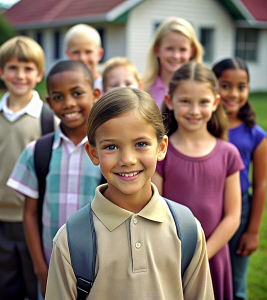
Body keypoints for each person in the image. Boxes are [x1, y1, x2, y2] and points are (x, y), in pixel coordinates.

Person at [45, 87, 215, 300]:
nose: (127, 159)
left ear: (161, 147)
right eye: (111, 146)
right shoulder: (71, 239)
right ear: (93, 153)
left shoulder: (187, 229)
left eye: (141, 144)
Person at [7, 60, 102, 297]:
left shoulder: (107, 151)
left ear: (96, 94)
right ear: (49, 103)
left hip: (102, 270)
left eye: (77, 93)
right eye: (58, 97)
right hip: (53, 270)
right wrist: (40, 268)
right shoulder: (37, 151)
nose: (68, 103)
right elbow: (29, 213)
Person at [0, 36, 56, 300]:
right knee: (5, 286)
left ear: (39, 73)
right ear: (1, 72)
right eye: (12, 68)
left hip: (35, 219)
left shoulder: (48, 118)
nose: (20, 75)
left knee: (38, 283)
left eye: (28, 68)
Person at [152, 62, 244, 300]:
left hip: (214, 257)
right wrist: (178, 257)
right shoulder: (162, 152)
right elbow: (156, 209)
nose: (194, 110)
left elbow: (233, 216)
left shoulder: (228, 153)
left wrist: (203, 254)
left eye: (203, 102)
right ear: (170, 101)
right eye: (185, 101)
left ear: (215, 103)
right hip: (171, 258)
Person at [212, 58, 267, 300]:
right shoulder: (203, 127)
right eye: (225, 85)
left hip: (241, 210)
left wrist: (253, 230)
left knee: (235, 284)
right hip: (206, 206)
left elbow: (261, 184)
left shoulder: (255, 135)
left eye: (241, 86)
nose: (233, 93)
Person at [142, 16, 204, 109]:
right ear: (157, 49)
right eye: (170, 49)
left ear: (192, 51)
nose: (176, 56)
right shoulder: (143, 90)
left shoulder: (203, 89)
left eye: (182, 49)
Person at [64, 24, 104, 92]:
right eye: (76, 52)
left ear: (99, 54)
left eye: (88, 52)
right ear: (68, 55)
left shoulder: (107, 88)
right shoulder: (63, 88)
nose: (82, 58)